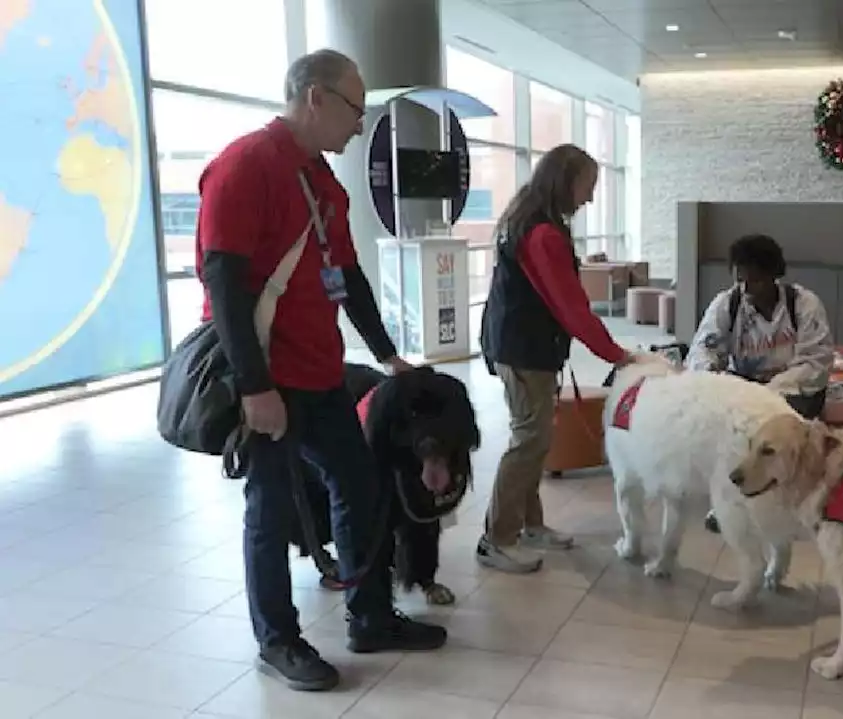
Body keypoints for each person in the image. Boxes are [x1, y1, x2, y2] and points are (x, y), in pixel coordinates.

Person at [196, 49, 447, 693]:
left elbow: (349, 278)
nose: (360, 126)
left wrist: (387, 353)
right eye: (355, 110)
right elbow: (222, 282)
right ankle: (278, 639)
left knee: (359, 487)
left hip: (321, 374)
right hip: (269, 379)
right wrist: (254, 386)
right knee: (272, 510)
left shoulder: (322, 180)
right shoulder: (245, 166)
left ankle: (369, 616)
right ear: (314, 97)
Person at [479, 144, 634, 574]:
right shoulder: (542, 232)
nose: (589, 196)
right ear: (566, 180)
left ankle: (530, 525)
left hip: (520, 344)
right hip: (523, 349)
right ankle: (497, 538)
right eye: (587, 185)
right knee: (528, 440)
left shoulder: (530, 220)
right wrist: (617, 356)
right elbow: (571, 306)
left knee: (534, 439)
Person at [686, 233, 835, 533]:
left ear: (773, 276)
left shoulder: (804, 305)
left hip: (795, 390)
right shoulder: (727, 304)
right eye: (740, 281)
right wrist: (716, 383)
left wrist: (767, 395)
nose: (746, 289)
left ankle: (792, 500)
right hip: (744, 387)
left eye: (754, 281)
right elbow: (702, 351)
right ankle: (730, 501)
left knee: (772, 427)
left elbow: (814, 363)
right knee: (728, 425)